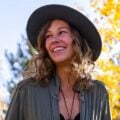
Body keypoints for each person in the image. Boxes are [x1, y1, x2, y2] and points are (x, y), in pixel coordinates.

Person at [5, 4, 111, 120]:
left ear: (77, 40)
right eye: (48, 36)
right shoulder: (26, 91)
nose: (54, 40)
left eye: (62, 32)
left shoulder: (99, 93)